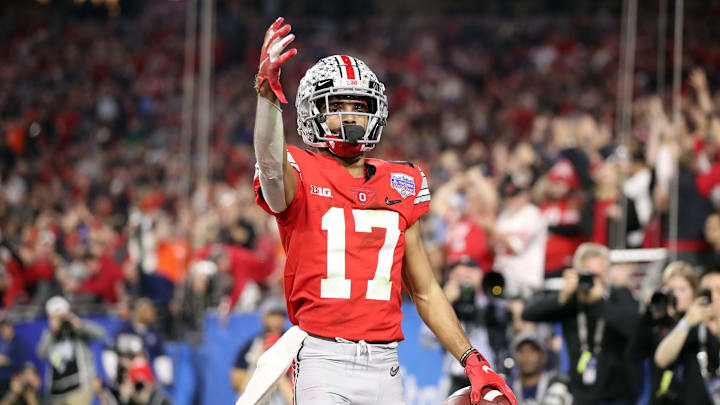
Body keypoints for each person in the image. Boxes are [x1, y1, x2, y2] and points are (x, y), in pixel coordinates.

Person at [250, 17, 516, 405]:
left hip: (386, 363)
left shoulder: (401, 182)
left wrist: (471, 358)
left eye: (359, 106)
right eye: (336, 105)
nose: (350, 116)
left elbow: (424, 290)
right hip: (324, 357)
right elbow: (271, 168)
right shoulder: (299, 170)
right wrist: (267, 97)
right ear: (313, 112)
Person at [522, 243, 640, 405]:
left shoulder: (620, 296)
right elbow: (528, 313)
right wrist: (563, 296)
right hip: (579, 396)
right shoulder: (571, 302)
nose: (592, 281)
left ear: (607, 273)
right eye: (587, 275)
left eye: (597, 275)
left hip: (617, 395)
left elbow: (635, 328)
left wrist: (600, 303)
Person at [627, 261, 697, 405]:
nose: (676, 296)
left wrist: (681, 322)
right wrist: (649, 313)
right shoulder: (657, 322)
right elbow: (633, 355)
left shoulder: (698, 325)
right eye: (671, 290)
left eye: (682, 289)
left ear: (693, 292)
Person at [653, 268, 720, 404]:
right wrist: (687, 322)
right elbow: (661, 359)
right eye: (707, 292)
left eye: (719, 291)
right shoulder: (689, 327)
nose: (714, 297)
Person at [37, 296, 106, 405]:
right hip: (57, 392)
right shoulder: (50, 335)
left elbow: (101, 334)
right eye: (56, 317)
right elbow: (41, 353)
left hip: (79, 389)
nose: (60, 320)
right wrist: (51, 331)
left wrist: (79, 324)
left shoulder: (77, 330)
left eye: (62, 316)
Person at [231, 299, 291, 405]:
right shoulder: (253, 344)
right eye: (272, 315)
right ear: (264, 318)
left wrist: (276, 368)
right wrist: (256, 364)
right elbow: (237, 386)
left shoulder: (291, 342)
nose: (276, 321)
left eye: (280, 316)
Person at [509, 331, 572, 405]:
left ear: (544, 358)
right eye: (521, 351)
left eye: (532, 351)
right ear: (515, 358)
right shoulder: (507, 388)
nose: (526, 356)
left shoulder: (556, 386)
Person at [0, 319, 27, 398]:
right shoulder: (2, 344)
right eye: (1, 331)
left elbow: (20, 364)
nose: (2, 333)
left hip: (12, 379)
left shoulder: (19, 343)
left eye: (4, 330)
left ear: (10, 328)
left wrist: (6, 361)